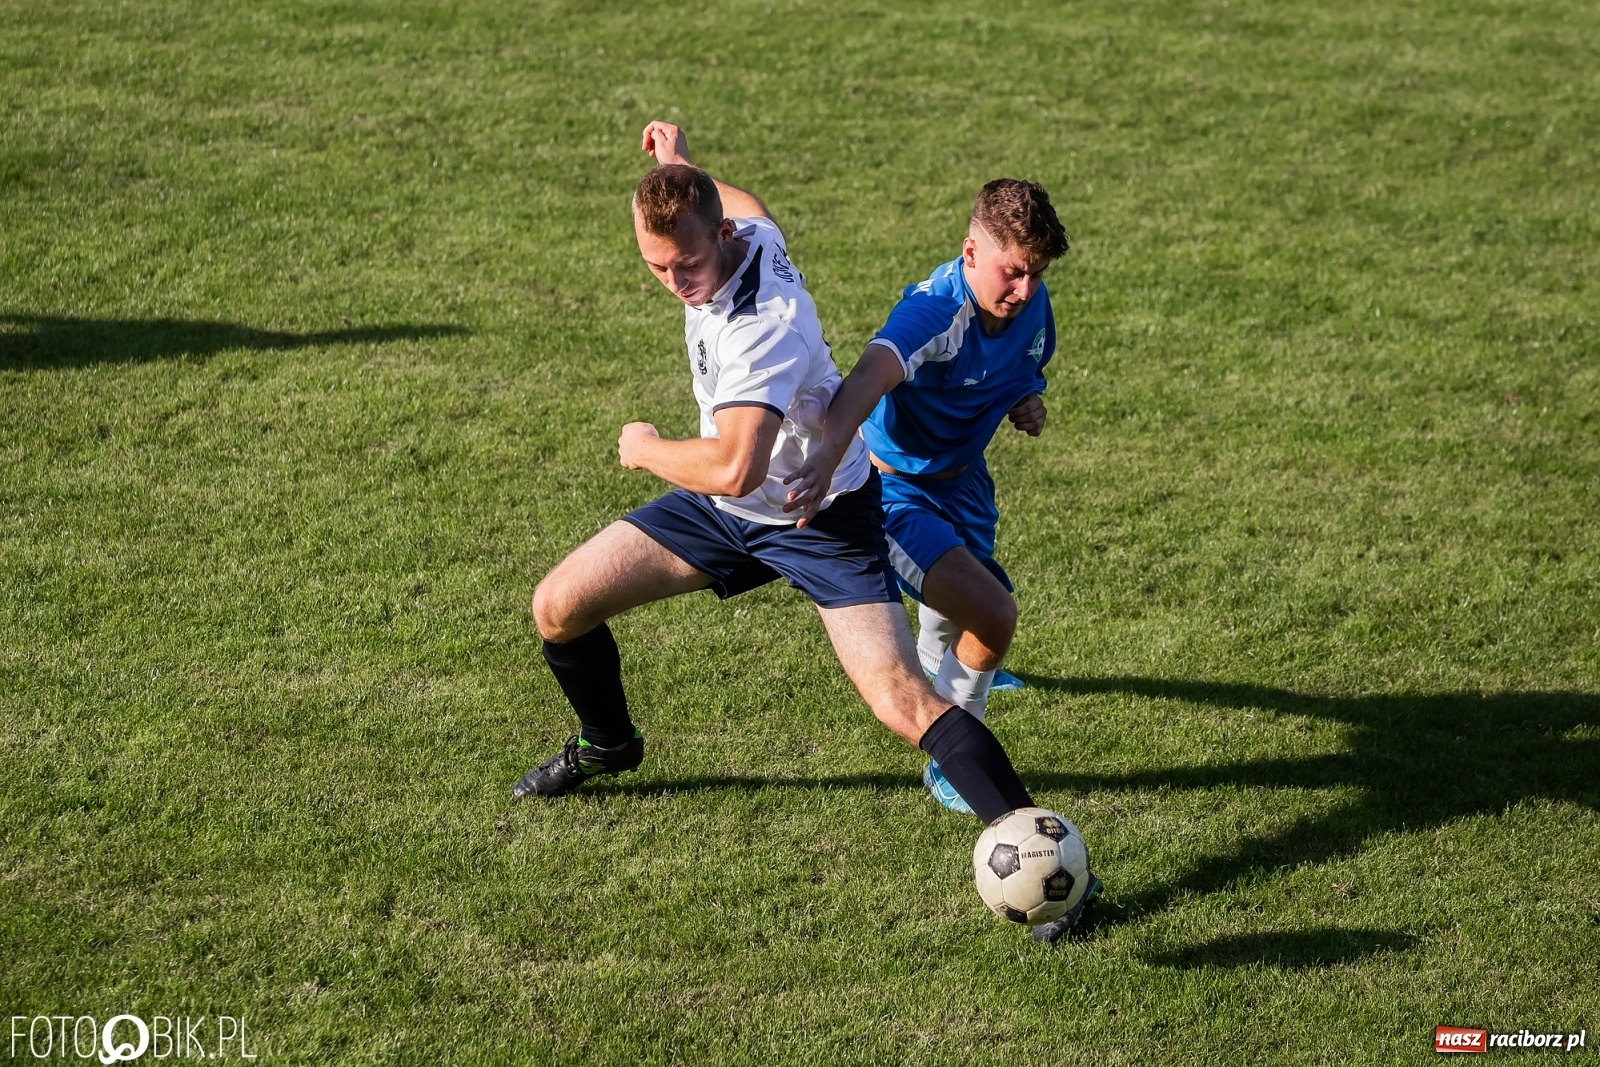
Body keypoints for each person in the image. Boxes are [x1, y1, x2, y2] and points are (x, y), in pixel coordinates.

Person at [516, 122, 1042, 842]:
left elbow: (738, 467)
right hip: (724, 513)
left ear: (721, 236)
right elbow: (750, 203)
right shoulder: (750, 234)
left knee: (902, 700)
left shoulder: (762, 327)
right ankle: (609, 743)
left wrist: (644, 448)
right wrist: (678, 164)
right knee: (557, 606)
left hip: (817, 518)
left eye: (687, 265)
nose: (676, 284)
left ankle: (1031, 838)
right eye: (657, 267)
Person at [782, 179, 1075, 822]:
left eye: (1037, 274)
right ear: (971, 252)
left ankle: (943, 662)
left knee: (966, 594)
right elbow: (870, 374)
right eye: (1013, 272)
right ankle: (954, 756)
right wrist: (828, 455)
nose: (1025, 290)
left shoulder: (1030, 302)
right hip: (894, 491)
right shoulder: (935, 312)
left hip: (965, 480)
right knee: (987, 608)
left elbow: (1023, 367)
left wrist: (1027, 401)